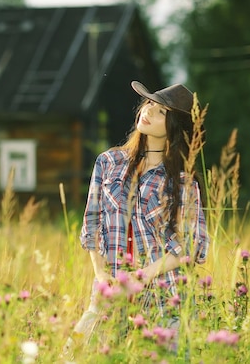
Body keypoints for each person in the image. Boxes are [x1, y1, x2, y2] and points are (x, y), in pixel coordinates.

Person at [71, 81, 210, 351]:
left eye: (160, 112)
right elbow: (92, 224)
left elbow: (195, 246)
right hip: (110, 291)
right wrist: (101, 275)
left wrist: (141, 277)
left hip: (164, 296)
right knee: (77, 354)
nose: (147, 111)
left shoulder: (181, 182)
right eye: (149, 104)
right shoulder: (109, 163)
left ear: (174, 128)